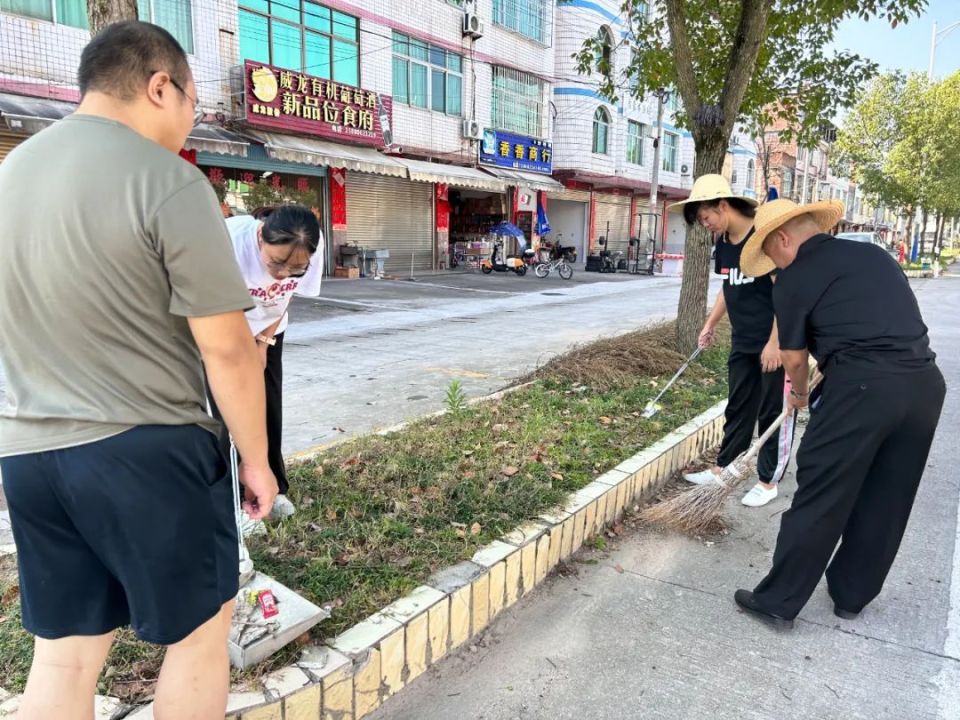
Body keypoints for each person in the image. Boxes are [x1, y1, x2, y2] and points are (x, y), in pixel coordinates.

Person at [0, 22, 276, 720]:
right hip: (147, 450)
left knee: (64, 653)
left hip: (29, 455)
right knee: (197, 635)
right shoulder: (167, 180)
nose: (191, 121)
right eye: (191, 102)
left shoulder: (9, 177)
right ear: (160, 85)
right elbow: (227, 348)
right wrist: (257, 458)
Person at [733, 198, 945, 628]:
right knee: (887, 495)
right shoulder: (873, 255)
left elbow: (793, 356)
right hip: (925, 385)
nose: (773, 265)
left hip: (862, 389)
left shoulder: (793, 280)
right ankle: (852, 594)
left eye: (770, 254)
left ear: (784, 238)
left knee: (821, 490)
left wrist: (798, 391)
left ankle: (778, 599)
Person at [672, 175, 796, 508]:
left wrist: (775, 342)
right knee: (739, 404)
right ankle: (722, 467)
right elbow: (730, 286)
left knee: (773, 411)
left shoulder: (763, 235)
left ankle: (768, 481)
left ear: (722, 205)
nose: (706, 224)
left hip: (776, 342)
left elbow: (787, 295)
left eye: (706, 217)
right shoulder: (724, 243)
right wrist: (710, 323)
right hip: (743, 339)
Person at [212, 204, 323, 519]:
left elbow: (287, 296)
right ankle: (232, 502)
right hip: (222, 328)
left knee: (267, 405)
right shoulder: (229, 240)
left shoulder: (311, 242)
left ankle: (274, 489)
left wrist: (263, 342)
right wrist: (240, 352)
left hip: (268, 330)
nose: (282, 274)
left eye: (295, 268)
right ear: (260, 236)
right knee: (224, 413)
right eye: (274, 263)